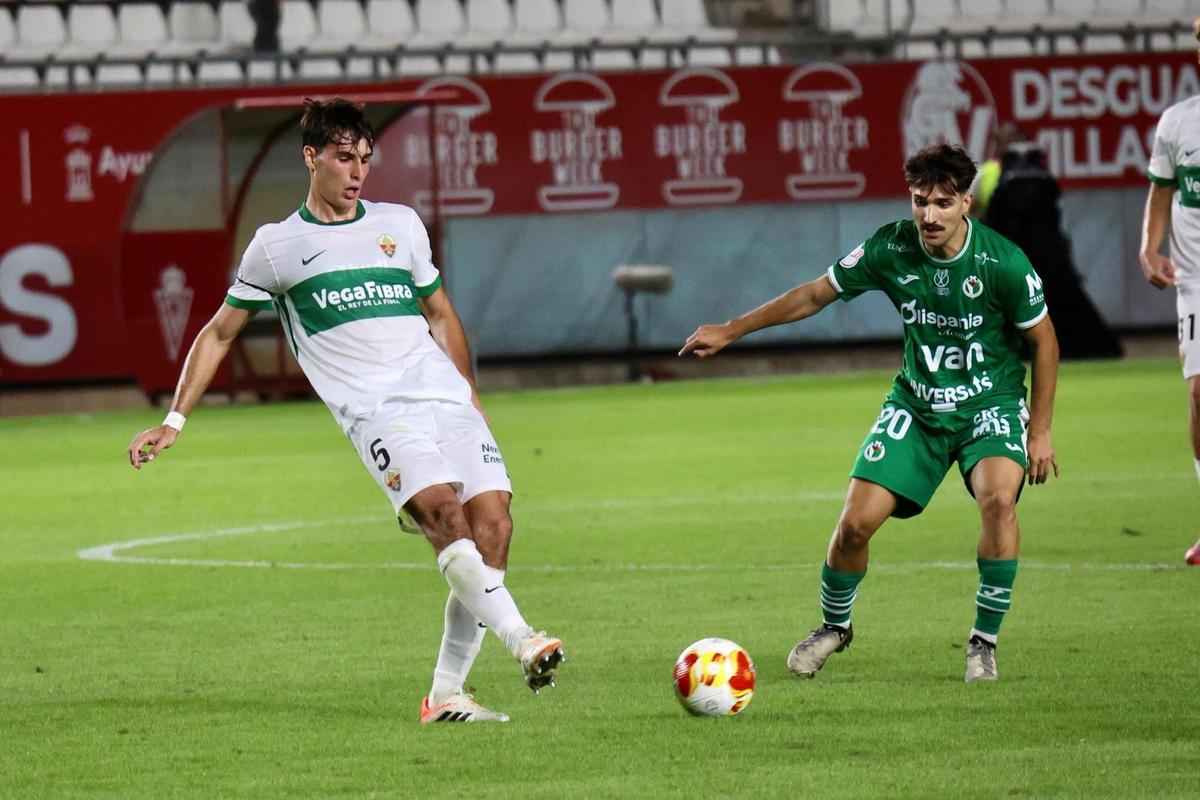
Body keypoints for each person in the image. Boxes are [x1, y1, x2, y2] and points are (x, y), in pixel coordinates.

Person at [126, 98, 564, 723]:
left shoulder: (401, 225)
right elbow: (220, 333)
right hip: (378, 412)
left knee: (494, 529)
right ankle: (523, 639)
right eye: (342, 158)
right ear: (311, 157)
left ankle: (445, 694)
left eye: (364, 158)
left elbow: (439, 313)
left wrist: (468, 392)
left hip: (443, 395)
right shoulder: (277, 247)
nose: (356, 171)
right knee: (445, 517)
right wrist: (174, 420)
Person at [680, 143, 1060, 683]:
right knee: (855, 525)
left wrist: (1040, 431)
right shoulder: (891, 247)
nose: (929, 215)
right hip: (918, 404)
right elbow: (816, 295)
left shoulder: (1004, 263)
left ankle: (983, 642)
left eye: (943, 204)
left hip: (989, 405)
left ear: (966, 205)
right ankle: (835, 626)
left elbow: (1045, 343)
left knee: (999, 499)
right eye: (919, 201)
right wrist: (733, 329)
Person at [1141, 18, 1200, 567]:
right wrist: (1148, 246)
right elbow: (1161, 191)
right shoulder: (1178, 123)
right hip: (1195, 279)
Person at [985, 141, 1122, 360]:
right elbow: (1060, 224)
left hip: (1017, 262)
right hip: (1051, 263)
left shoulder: (1005, 187)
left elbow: (991, 226)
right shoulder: (1047, 184)